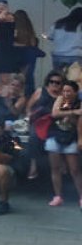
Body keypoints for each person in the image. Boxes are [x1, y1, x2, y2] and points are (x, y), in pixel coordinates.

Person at [45, 80, 82, 208]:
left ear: (75, 92)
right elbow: (55, 113)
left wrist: (71, 116)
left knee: (75, 169)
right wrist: (72, 112)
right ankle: (58, 196)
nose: (66, 93)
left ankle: (81, 197)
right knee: (55, 168)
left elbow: (78, 120)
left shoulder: (79, 102)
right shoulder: (61, 99)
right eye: (64, 91)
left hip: (71, 136)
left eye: (69, 91)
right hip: (55, 134)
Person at [25, 71, 65, 181]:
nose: (54, 84)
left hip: (54, 122)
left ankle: (62, 162)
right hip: (38, 121)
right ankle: (33, 165)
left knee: (61, 135)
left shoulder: (63, 96)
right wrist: (28, 117)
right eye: (52, 82)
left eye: (57, 82)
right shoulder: (40, 91)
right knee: (33, 136)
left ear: (62, 84)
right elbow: (29, 107)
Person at [13, 10, 42, 98]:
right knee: (29, 79)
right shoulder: (29, 28)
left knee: (17, 79)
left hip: (17, 57)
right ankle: (29, 98)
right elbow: (33, 42)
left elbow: (12, 42)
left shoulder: (14, 28)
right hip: (30, 57)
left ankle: (18, 99)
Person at [0, 0, 20, 88]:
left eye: (2, 8)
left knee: (5, 78)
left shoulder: (10, 17)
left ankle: (6, 99)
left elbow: (0, 18)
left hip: (6, 50)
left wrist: (4, 11)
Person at [49, 7, 82, 71]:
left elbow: (50, 36)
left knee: (58, 77)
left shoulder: (58, 24)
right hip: (75, 55)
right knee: (74, 78)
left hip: (58, 55)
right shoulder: (80, 26)